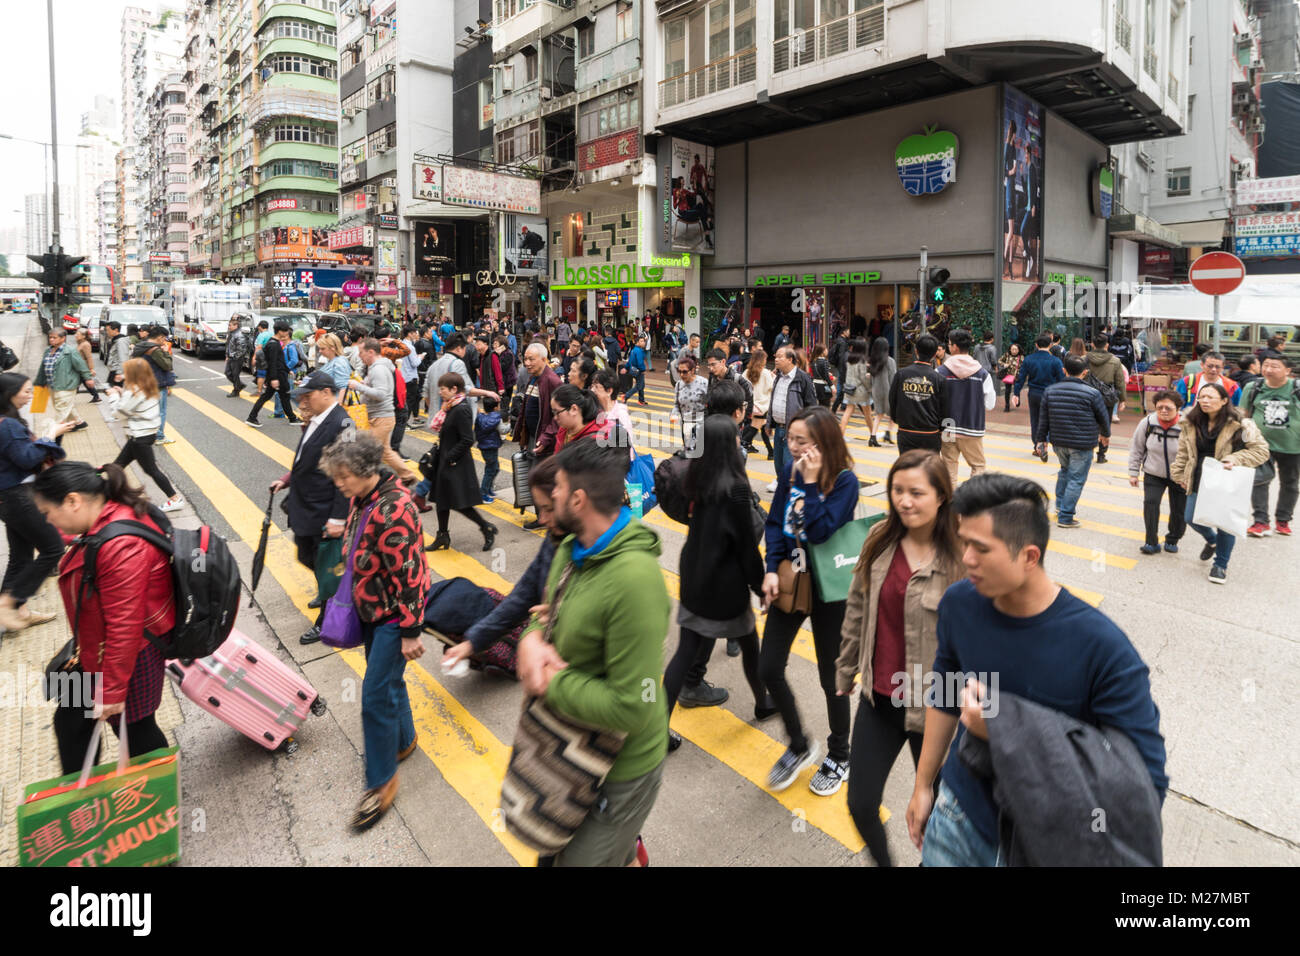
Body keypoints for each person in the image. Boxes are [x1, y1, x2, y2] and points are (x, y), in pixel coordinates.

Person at [905, 474, 1168, 867]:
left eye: (980, 548)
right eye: (962, 543)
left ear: (1029, 556)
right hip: (957, 817)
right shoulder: (959, 603)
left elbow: (1144, 784)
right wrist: (924, 785)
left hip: (1044, 840)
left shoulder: (1104, 649)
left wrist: (1010, 728)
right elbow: (944, 693)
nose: (966, 560)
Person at [514, 440, 671, 867]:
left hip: (620, 769)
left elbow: (633, 706)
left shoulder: (636, 581)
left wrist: (550, 681)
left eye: (559, 490)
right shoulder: (572, 548)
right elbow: (548, 611)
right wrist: (530, 637)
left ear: (579, 500)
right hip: (570, 751)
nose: (551, 499)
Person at [835, 449, 962, 866]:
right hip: (879, 698)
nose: (904, 501)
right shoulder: (879, 540)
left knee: (943, 815)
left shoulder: (962, 558)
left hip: (935, 707)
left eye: (916, 492)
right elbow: (857, 606)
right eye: (897, 490)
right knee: (861, 803)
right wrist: (846, 666)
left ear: (941, 496)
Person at [318, 432, 430, 829]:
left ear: (366, 471)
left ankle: (381, 782)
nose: (339, 483)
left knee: (374, 695)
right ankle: (403, 741)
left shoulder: (393, 508)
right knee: (390, 683)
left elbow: (411, 575)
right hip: (371, 609)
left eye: (344, 475)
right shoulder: (364, 497)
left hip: (392, 618)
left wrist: (411, 631)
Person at [32, 461, 174, 774]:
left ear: (72, 501)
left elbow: (125, 626)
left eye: (47, 512)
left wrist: (110, 691)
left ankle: (156, 794)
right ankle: (79, 793)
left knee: (136, 732)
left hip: (128, 657)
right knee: (70, 721)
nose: (48, 521)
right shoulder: (106, 519)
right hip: (94, 648)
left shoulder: (121, 545)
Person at [760, 405, 860, 795]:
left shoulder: (845, 482)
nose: (793, 446)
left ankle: (840, 754)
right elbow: (774, 522)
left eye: (802, 440)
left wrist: (815, 484)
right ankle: (800, 744)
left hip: (830, 589)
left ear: (824, 444)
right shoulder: (789, 471)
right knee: (769, 667)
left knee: (831, 677)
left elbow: (819, 533)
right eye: (791, 438)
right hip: (791, 580)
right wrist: (771, 567)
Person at [663, 415, 774, 752]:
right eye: (737, 436)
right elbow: (745, 547)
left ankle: (654, 730)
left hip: (694, 573)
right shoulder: (736, 488)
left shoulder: (695, 476)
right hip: (724, 584)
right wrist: (758, 586)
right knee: (750, 645)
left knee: (685, 651)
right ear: (729, 443)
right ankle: (763, 702)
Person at [442, 456, 564, 672]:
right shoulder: (555, 539)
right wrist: (472, 643)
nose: (542, 519)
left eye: (548, 509)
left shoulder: (620, 559)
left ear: (575, 499)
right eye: (539, 509)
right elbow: (523, 595)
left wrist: (563, 617)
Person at [271, 371, 354, 645]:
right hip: (305, 505)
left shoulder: (345, 424)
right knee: (306, 556)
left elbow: (348, 474)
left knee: (327, 565)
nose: (303, 402)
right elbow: (306, 459)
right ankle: (330, 588)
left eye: (308, 395)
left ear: (327, 393)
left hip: (325, 509)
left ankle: (326, 619)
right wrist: (286, 479)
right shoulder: (316, 421)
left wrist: (339, 518)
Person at [1171, 382, 1270, 583]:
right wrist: (1179, 475)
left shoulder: (1241, 423)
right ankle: (1212, 540)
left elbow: (1261, 451)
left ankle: (1220, 565)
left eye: (1210, 397)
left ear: (1225, 400)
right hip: (1198, 478)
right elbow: (1183, 452)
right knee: (1190, 517)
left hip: (1226, 480)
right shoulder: (1190, 421)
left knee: (1226, 524)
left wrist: (1236, 458)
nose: (1205, 401)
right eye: (1202, 397)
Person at [0, 373, 69, 632]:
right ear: (9, 394)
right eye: (26, 391)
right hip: (18, 496)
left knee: (20, 556)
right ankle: (8, 603)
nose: (30, 396)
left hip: (9, 496)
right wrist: (51, 434)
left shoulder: (8, 421)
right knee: (53, 547)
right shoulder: (7, 424)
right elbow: (26, 458)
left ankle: (19, 611)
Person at [424, 373, 499, 553]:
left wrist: (451, 458)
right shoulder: (450, 406)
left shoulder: (461, 409)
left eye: (443, 389)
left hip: (455, 463)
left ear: (454, 389)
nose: (440, 392)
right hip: (446, 460)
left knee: (460, 503)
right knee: (442, 500)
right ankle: (442, 535)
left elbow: (468, 439)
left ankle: (485, 526)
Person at [1034, 355, 1110, 528]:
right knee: (1076, 478)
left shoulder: (1050, 390)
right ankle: (1066, 516)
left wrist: (1041, 440)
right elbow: (1103, 418)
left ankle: (1061, 506)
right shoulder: (1092, 393)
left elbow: (1043, 419)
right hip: (1082, 443)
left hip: (1058, 441)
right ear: (1085, 372)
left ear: (1064, 370)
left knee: (1065, 471)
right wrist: (1105, 435)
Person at [105, 359, 184, 513]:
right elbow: (134, 405)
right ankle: (108, 495)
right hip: (144, 433)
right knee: (118, 466)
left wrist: (114, 395)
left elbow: (118, 413)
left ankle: (175, 499)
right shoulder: (148, 386)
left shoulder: (134, 390)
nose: (124, 374)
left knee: (151, 470)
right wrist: (121, 393)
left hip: (139, 436)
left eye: (126, 371)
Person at [1243, 352, 1299, 537]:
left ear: (1287, 370)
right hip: (1261, 445)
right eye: (1265, 365)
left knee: (1290, 483)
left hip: (1293, 446)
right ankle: (1260, 521)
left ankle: (1283, 520)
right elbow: (1243, 414)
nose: (1268, 369)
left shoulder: (1296, 388)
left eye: (1274, 366)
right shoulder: (1253, 387)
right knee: (1259, 480)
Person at [349, 338, 417, 483]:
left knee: (370, 452)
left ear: (371, 352)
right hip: (380, 416)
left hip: (381, 417)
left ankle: (367, 483)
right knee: (385, 452)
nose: (359, 356)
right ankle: (407, 475)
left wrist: (358, 386)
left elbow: (381, 394)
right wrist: (363, 384)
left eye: (361, 353)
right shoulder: (377, 366)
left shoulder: (378, 368)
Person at [1128, 389, 1186, 555]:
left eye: (1168, 408)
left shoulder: (1187, 425)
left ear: (1178, 408)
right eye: (1159, 407)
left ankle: (1173, 538)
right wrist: (1133, 472)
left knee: (1179, 510)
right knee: (1150, 505)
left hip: (1180, 476)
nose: (1163, 411)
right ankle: (1151, 542)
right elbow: (1137, 448)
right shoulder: (1147, 423)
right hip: (1153, 473)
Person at [938, 329, 998, 484]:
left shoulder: (940, 372)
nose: (949, 347)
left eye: (949, 344)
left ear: (955, 347)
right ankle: (970, 502)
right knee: (978, 466)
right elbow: (990, 405)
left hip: (947, 426)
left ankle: (950, 503)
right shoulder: (982, 374)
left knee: (948, 467)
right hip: (972, 426)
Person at [767, 345, 818, 491]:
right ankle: (782, 486)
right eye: (775, 356)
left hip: (794, 431)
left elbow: (811, 405)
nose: (776, 359)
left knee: (790, 465)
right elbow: (774, 400)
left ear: (790, 359)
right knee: (778, 464)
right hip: (779, 428)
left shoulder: (802, 378)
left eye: (780, 357)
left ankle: (790, 490)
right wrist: (769, 424)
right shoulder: (778, 376)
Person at [888, 333, 948, 455]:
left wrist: (898, 420)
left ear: (916, 350)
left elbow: (892, 400)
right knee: (929, 469)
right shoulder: (939, 379)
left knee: (907, 468)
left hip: (906, 431)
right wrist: (941, 429)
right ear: (934, 354)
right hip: (930, 433)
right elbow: (946, 409)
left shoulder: (901, 374)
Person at [35, 327, 97, 438]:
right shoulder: (47, 351)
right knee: (65, 406)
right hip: (52, 385)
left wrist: (88, 378)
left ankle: (53, 434)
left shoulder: (70, 351)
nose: (51, 340)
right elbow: (42, 368)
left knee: (61, 409)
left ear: (63, 338)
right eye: (50, 337)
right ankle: (78, 422)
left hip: (67, 385)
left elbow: (81, 365)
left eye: (54, 337)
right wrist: (39, 382)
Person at [1012, 332, 1065, 459]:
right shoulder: (1056, 361)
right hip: (1050, 394)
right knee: (1049, 419)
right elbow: (1061, 380)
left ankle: (1037, 444)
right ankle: (1044, 442)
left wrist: (1016, 393)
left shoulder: (1029, 359)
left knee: (1035, 420)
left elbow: (1021, 378)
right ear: (1051, 345)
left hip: (1034, 393)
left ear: (1036, 345)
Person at [1086, 333, 1128, 429]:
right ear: (1107, 345)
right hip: (1107, 398)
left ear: (1092, 344)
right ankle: (1103, 442)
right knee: (1105, 426)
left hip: (1088, 396)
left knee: (1089, 425)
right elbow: (1120, 382)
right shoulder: (1115, 361)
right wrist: (1122, 399)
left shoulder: (1084, 359)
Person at [475, 394, 510, 503]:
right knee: (491, 470)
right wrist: (509, 423)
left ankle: (488, 489)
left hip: (484, 447)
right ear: (495, 408)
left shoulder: (480, 417)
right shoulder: (496, 419)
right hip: (491, 447)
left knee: (494, 468)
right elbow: (503, 430)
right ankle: (483, 493)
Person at [742, 348, 775, 458]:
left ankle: (771, 452)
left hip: (752, 405)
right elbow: (771, 387)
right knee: (755, 427)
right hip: (764, 406)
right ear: (762, 360)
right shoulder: (765, 373)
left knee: (762, 426)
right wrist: (773, 377)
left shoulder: (746, 372)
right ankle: (741, 446)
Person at [672, 354, 709, 451]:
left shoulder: (703, 383)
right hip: (686, 424)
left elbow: (710, 403)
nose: (681, 375)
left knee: (699, 453)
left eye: (684, 372)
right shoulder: (679, 385)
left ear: (692, 370)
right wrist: (674, 414)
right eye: (679, 371)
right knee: (688, 452)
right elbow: (676, 404)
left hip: (701, 424)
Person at [838, 337, 873, 437]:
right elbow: (863, 378)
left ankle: (841, 435)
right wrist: (869, 388)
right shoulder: (862, 360)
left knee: (847, 412)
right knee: (868, 415)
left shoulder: (850, 359)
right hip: (861, 391)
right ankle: (872, 435)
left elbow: (848, 375)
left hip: (850, 390)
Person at [867, 336, 897, 445]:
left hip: (876, 390)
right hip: (888, 390)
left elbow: (871, 378)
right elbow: (893, 378)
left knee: (879, 414)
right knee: (894, 413)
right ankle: (888, 433)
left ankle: (873, 437)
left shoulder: (872, 361)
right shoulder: (890, 361)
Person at [224, 317, 252, 396]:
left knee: (235, 375)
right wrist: (227, 355)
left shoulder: (239, 335)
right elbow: (229, 345)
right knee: (228, 373)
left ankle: (236, 390)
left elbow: (241, 348)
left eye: (230, 325)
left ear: (236, 325)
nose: (229, 327)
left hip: (237, 358)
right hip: (231, 357)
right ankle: (240, 385)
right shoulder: (232, 333)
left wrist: (235, 357)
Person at [73, 331, 101, 404]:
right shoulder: (80, 344)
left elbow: (89, 357)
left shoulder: (85, 344)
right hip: (79, 368)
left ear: (83, 336)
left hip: (83, 368)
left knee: (76, 383)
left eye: (77, 334)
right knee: (84, 383)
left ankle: (70, 398)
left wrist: (91, 369)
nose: (75, 335)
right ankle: (96, 396)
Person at [829, 325, 851, 413]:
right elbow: (842, 355)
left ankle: (841, 403)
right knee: (841, 383)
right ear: (844, 332)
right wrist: (844, 365)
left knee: (840, 382)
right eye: (848, 331)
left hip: (839, 365)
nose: (849, 333)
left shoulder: (840, 341)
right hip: (842, 365)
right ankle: (842, 403)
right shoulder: (842, 342)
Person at [995, 342, 1022, 413]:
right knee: (1007, 391)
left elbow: (1024, 366)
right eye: (1012, 349)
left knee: (1017, 390)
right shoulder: (1007, 355)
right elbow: (999, 361)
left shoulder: (1021, 357)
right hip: (1008, 376)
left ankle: (1017, 400)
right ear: (1010, 349)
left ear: (1018, 350)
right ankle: (1007, 405)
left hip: (1017, 376)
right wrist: (1004, 364)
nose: (1014, 351)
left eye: (1016, 349)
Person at [623, 334, 649, 406]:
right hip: (639, 371)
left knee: (641, 385)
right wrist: (643, 369)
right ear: (637, 342)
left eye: (644, 341)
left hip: (634, 370)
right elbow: (640, 362)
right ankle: (626, 396)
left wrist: (626, 368)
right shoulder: (639, 351)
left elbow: (629, 361)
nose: (644, 342)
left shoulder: (634, 350)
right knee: (639, 386)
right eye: (642, 341)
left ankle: (641, 400)